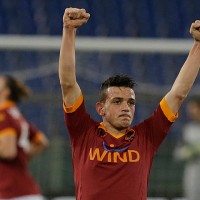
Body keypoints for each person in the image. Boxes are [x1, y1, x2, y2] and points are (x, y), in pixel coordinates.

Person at [58, 7, 200, 200]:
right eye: (117, 101)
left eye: (131, 102)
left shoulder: (146, 136)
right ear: (101, 108)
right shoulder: (83, 132)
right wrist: (69, 30)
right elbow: (67, 84)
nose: (126, 107)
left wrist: (198, 45)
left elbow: (178, 94)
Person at [0, 75, 49, 200]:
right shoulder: (15, 114)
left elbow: (8, 152)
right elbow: (42, 141)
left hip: (12, 192)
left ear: (6, 91)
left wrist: (19, 155)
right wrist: (23, 156)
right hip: (25, 191)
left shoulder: (3, 114)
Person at [174, 96, 200, 200]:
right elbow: (178, 153)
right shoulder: (188, 130)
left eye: (194, 108)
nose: (191, 111)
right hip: (193, 171)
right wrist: (190, 151)